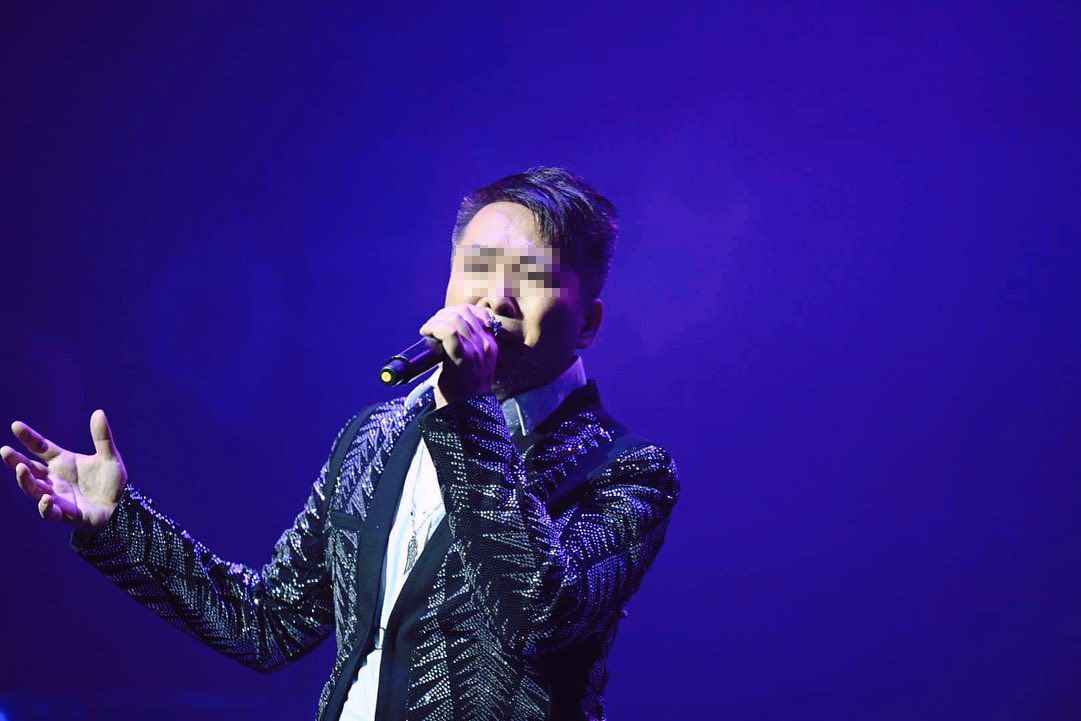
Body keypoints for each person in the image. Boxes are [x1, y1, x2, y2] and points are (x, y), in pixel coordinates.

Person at [3, 166, 680, 721]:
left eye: (530, 275)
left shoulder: (627, 473)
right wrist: (120, 526)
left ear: (588, 322)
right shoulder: (375, 437)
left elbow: (540, 614)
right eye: (477, 267)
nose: (494, 297)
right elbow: (269, 623)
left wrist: (469, 411)